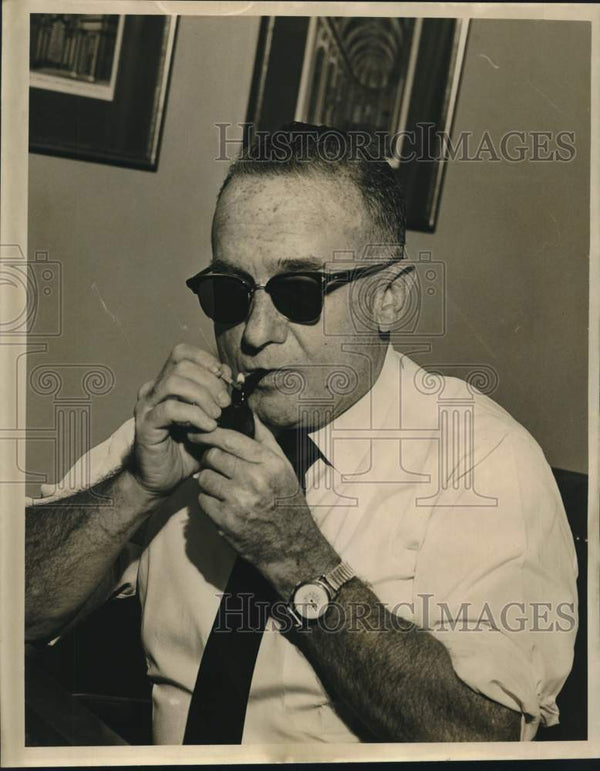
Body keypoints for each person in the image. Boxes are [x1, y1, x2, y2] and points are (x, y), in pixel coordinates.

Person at [25, 124, 577, 744]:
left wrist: (298, 561)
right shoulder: (194, 420)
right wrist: (134, 489)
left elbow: (483, 743)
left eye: (299, 290)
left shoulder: (486, 463)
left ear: (390, 297)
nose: (256, 333)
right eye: (231, 291)